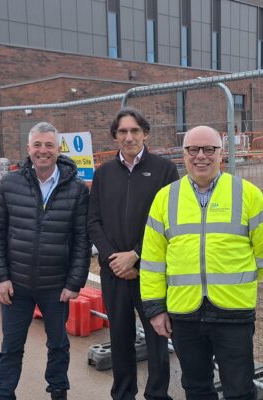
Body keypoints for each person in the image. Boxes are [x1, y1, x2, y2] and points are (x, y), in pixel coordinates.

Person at [140, 125, 263, 400]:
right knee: (196, 389)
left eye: (209, 149)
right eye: (193, 149)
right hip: (184, 313)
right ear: (183, 154)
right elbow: (153, 259)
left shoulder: (246, 193)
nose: (200, 156)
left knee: (240, 390)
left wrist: (244, 279)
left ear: (222, 154)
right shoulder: (165, 198)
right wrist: (156, 308)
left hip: (233, 312)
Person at [0, 122, 91, 400]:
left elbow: (82, 240)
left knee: (58, 345)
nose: (42, 151)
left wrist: (74, 283)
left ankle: (58, 391)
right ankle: (3, 393)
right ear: (28, 148)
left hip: (56, 287)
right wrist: (0, 277)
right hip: (16, 285)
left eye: (49, 145)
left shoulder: (77, 190)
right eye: (37, 145)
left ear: (58, 149)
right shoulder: (10, 184)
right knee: (11, 346)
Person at [88, 108, 179, 400]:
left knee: (157, 337)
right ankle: (123, 394)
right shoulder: (103, 174)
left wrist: (136, 255)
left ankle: (157, 395)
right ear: (116, 136)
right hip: (114, 271)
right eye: (123, 131)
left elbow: (169, 221)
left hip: (150, 271)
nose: (129, 137)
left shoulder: (164, 169)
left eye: (135, 131)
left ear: (145, 134)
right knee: (120, 338)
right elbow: (93, 221)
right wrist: (114, 258)